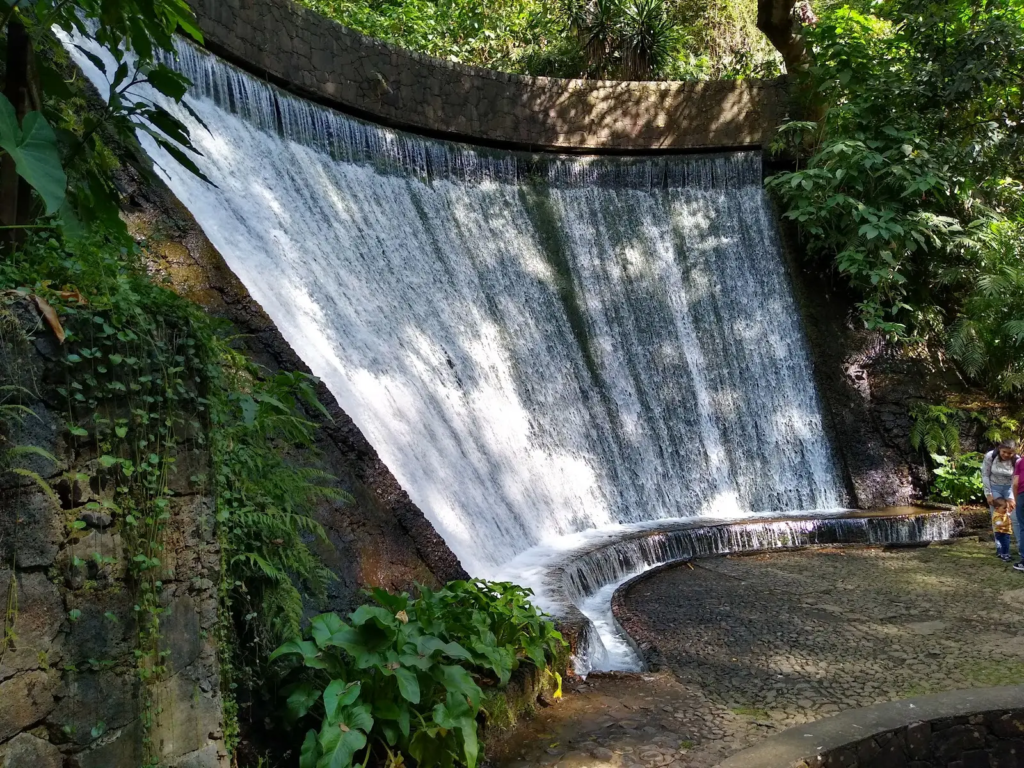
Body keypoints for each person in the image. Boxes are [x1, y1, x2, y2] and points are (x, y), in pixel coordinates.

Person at [982, 440, 1021, 570]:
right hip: (994, 488)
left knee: (1015, 519)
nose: (1006, 455)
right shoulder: (990, 456)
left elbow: (1017, 479)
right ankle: (1001, 550)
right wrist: (988, 493)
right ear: (999, 449)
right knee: (997, 519)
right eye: (1004, 452)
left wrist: (1013, 497)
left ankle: (1022, 550)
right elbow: (985, 475)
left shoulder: (1017, 460)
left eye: (1010, 453)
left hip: (1010, 488)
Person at [993, 497, 1014, 562]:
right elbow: (999, 524)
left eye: (1006, 508)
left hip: (1006, 532)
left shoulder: (1003, 513)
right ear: (997, 508)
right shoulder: (997, 516)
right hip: (1001, 532)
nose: (1006, 510)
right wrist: (1008, 523)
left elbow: (1008, 514)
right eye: (1004, 508)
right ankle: (1004, 555)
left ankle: (1005, 553)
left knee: (1006, 543)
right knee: (1004, 544)